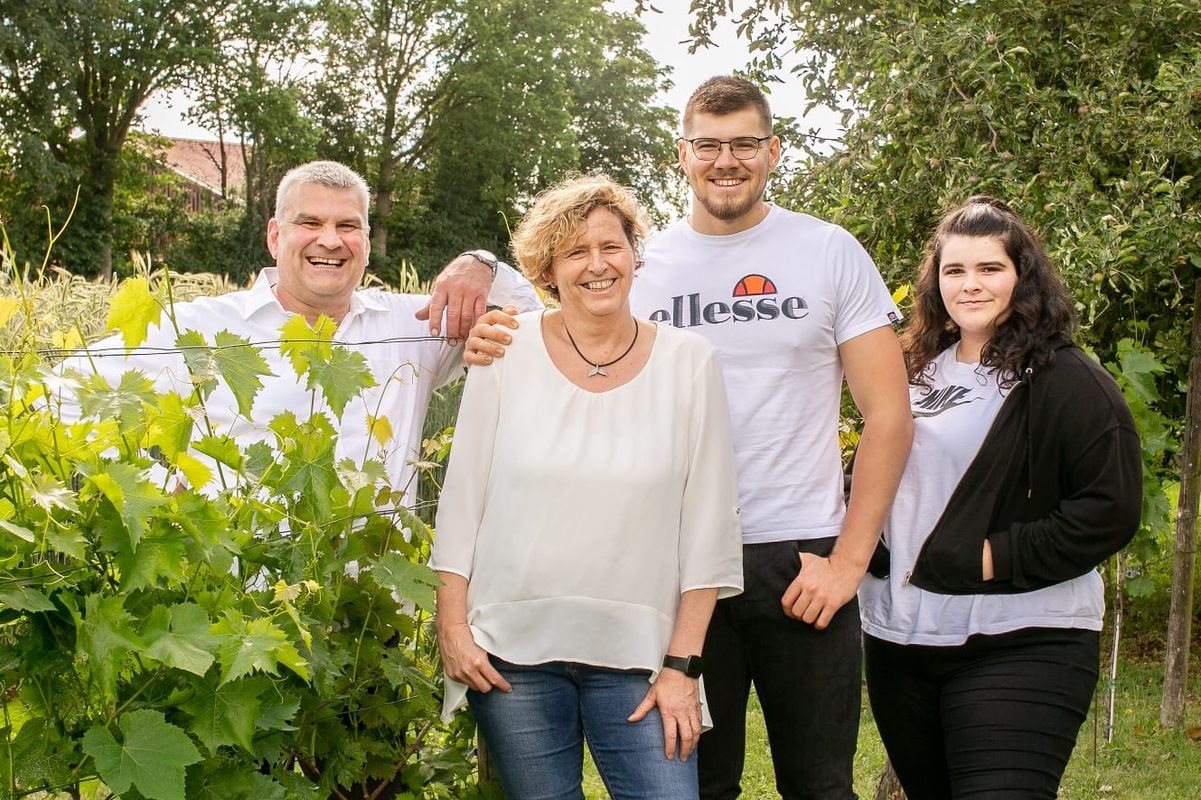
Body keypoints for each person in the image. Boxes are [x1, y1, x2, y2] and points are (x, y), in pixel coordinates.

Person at [450, 76, 914, 800]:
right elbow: (560, 308)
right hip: (676, 570)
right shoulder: (645, 263)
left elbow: (888, 414)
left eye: (743, 145)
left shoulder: (828, 252)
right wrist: (483, 306)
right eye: (708, 145)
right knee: (703, 786)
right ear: (682, 154)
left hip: (800, 558)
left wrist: (848, 562)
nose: (725, 160)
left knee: (820, 785)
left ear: (772, 151)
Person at [429, 174, 743, 800]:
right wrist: (453, 629)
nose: (596, 265)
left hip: (641, 657)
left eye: (611, 246)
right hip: (511, 654)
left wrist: (683, 666)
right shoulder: (505, 352)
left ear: (635, 254)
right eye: (575, 252)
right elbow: (462, 500)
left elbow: (710, 523)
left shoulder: (689, 361)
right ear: (547, 269)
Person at [858, 196, 1141, 799]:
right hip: (900, 641)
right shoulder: (913, 371)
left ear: (1023, 276)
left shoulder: (1065, 379)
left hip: (1022, 638)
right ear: (935, 283)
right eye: (954, 271)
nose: (971, 285)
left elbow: (1108, 509)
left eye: (990, 269)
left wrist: (988, 557)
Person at [59, 160, 540, 501]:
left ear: (367, 243)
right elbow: (58, 393)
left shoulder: (415, 325)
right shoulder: (198, 328)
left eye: (348, 226)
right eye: (309, 222)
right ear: (274, 236)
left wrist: (480, 264)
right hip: (242, 617)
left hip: (373, 618)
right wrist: (166, 494)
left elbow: (530, 317)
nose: (330, 240)